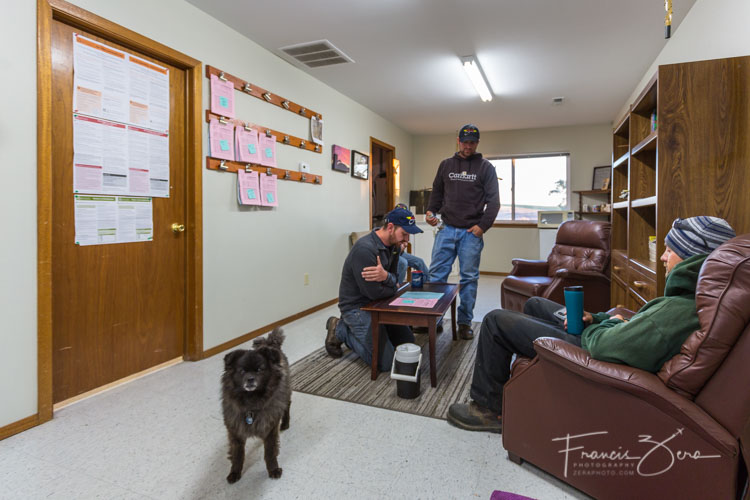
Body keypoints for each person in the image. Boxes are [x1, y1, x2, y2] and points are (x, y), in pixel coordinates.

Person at [447, 216, 736, 434]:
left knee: (496, 320)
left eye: (669, 250)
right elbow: (640, 330)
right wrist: (600, 318)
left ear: (691, 257)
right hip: (605, 339)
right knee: (535, 304)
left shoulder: (680, 310)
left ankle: (488, 408)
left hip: (593, 352)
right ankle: (526, 379)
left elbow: (610, 345)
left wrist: (595, 328)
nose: (661, 257)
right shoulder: (692, 302)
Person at [325, 207, 424, 371]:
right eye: (404, 234)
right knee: (385, 363)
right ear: (391, 227)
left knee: (408, 341)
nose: (407, 239)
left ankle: (378, 331)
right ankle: (340, 329)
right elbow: (374, 292)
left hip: (380, 303)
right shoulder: (365, 250)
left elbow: (393, 277)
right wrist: (392, 284)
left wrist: (386, 277)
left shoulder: (394, 246)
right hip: (358, 307)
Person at [425, 124, 500, 340]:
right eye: (465, 142)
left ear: (477, 143)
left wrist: (481, 227)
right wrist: (431, 211)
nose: (468, 146)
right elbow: (437, 193)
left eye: (473, 142)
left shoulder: (486, 168)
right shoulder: (446, 165)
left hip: (471, 233)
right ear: (459, 141)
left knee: (468, 278)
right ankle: (435, 319)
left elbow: (494, 202)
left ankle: (465, 322)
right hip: (446, 229)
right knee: (437, 276)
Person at [392, 203, 430, 283]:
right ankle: (397, 287)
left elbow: (405, 242)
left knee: (420, 262)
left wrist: (402, 247)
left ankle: (429, 284)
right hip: (392, 253)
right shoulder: (391, 225)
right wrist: (399, 248)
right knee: (403, 262)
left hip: (400, 253)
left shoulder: (406, 225)